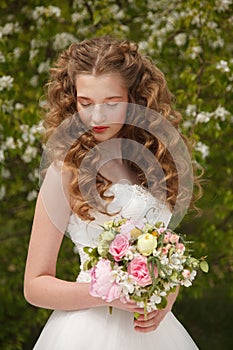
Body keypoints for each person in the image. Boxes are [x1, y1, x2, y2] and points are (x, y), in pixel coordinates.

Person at [24, 36, 200, 349]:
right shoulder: (65, 170)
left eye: (112, 103)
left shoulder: (152, 163)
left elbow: (160, 252)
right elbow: (34, 286)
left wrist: (167, 293)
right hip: (87, 331)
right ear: (72, 98)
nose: (97, 117)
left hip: (154, 332)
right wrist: (108, 292)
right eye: (85, 103)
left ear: (135, 98)